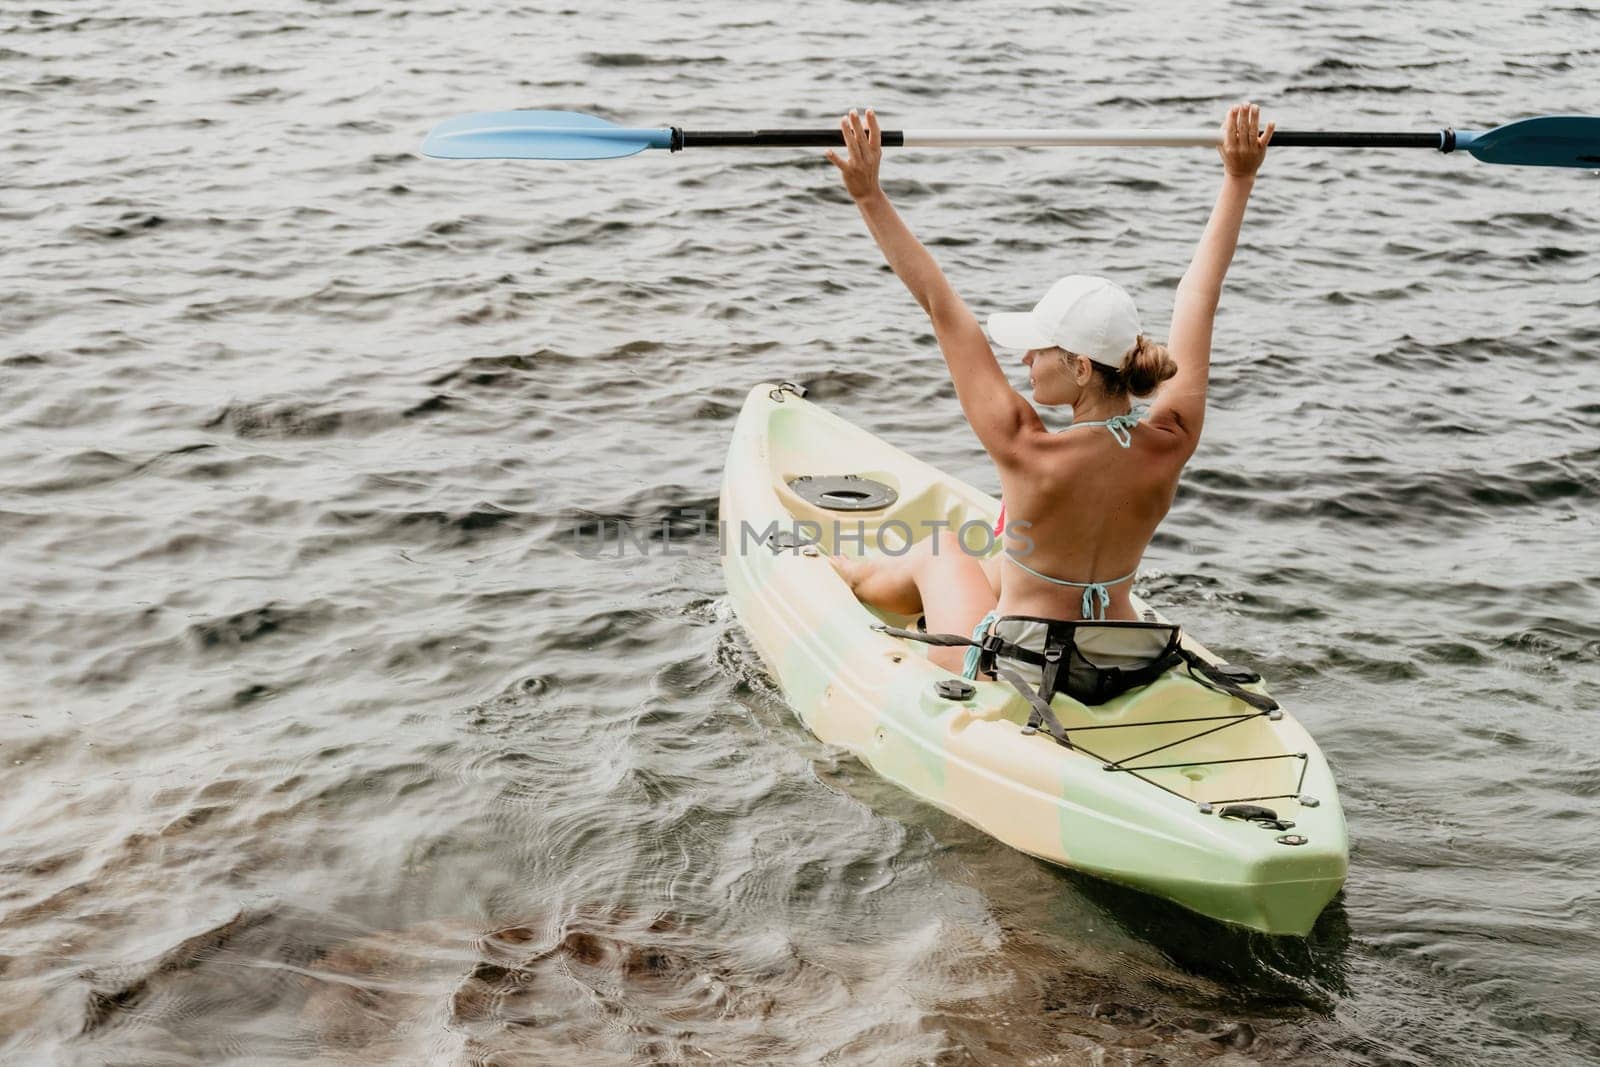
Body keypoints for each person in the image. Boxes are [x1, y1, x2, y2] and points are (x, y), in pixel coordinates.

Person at [823, 103, 1274, 679]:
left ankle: (844, 575)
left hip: (1024, 667)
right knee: (998, 558)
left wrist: (867, 194)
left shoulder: (1027, 449)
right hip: (1117, 659)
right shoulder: (1174, 437)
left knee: (939, 547)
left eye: (1040, 349)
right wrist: (1240, 179)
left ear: (1083, 368)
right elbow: (1198, 297)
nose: (1026, 359)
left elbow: (943, 310)